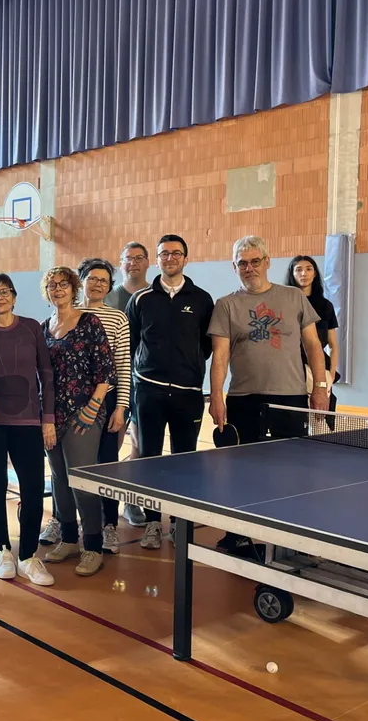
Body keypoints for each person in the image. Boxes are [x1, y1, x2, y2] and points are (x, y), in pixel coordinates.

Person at [207, 236, 329, 552]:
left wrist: (320, 388)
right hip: (243, 400)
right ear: (235, 267)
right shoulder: (226, 305)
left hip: (290, 399)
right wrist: (216, 397)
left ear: (267, 261)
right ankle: (238, 533)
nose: (250, 268)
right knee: (242, 472)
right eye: (243, 263)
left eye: (255, 261)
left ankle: (292, 534)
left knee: (293, 471)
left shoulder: (293, 298)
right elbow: (219, 356)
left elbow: (314, 346)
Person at [125, 235, 214, 548]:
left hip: (189, 394)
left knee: (184, 461)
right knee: (149, 460)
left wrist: (186, 367)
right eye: (164, 253)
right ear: (157, 259)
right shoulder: (140, 299)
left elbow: (205, 346)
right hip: (148, 391)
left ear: (186, 259)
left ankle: (179, 523)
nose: (170, 258)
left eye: (176, 253)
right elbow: (133, 345)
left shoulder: (203, 299)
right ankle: (153, 523)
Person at [0, 273, 56, 586]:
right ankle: (3, 550)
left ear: (14, 295)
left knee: (32, 488)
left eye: (4, 291)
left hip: (28, 422)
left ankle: (28, 556)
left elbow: (46, 374)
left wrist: (47, 417)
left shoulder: (32, 327)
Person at [41, 266, 114, 577]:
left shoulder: (89, 322)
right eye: (52, 286)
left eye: (63, 285)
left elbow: (105, 370)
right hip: (52, 416)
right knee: (59, 479)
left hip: (84, 413)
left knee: (82, 480)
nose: (58, 290)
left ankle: (93, 546)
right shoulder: (44, 328)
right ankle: (69, 539)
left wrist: (93, 406)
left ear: (73, 289)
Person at [75, 258, 130, 555]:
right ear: (81, 280)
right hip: (71, 401)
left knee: (107, 464)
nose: (97, 285)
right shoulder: (66, 313)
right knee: (70, 465)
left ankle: (109, 525)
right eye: (92, 278)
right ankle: (65, 520)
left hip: (106, 401)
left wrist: (120, 407)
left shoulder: (118, 319)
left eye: (104, 281)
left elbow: (123, 366)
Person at [105, 241, 151, 527]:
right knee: (113, 443)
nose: (132, 263)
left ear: (148, 262)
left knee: (141, 446)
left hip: (147, 382)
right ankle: (102, 505)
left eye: (138, 258)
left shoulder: (154, 296)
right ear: (120, 264)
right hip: (116, 383)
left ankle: (131, 500)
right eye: (127, 258)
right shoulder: (110, 298)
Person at [285, 255, 340, 426]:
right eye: (298, 269)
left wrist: (330, 373)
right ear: (292, 274)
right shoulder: (285, 303)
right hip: (290, 369)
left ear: (315, 274)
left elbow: (333, 344)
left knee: (319, 422)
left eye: (308, 269)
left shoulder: (326, 306)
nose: (304, 273)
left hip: (316, 369)